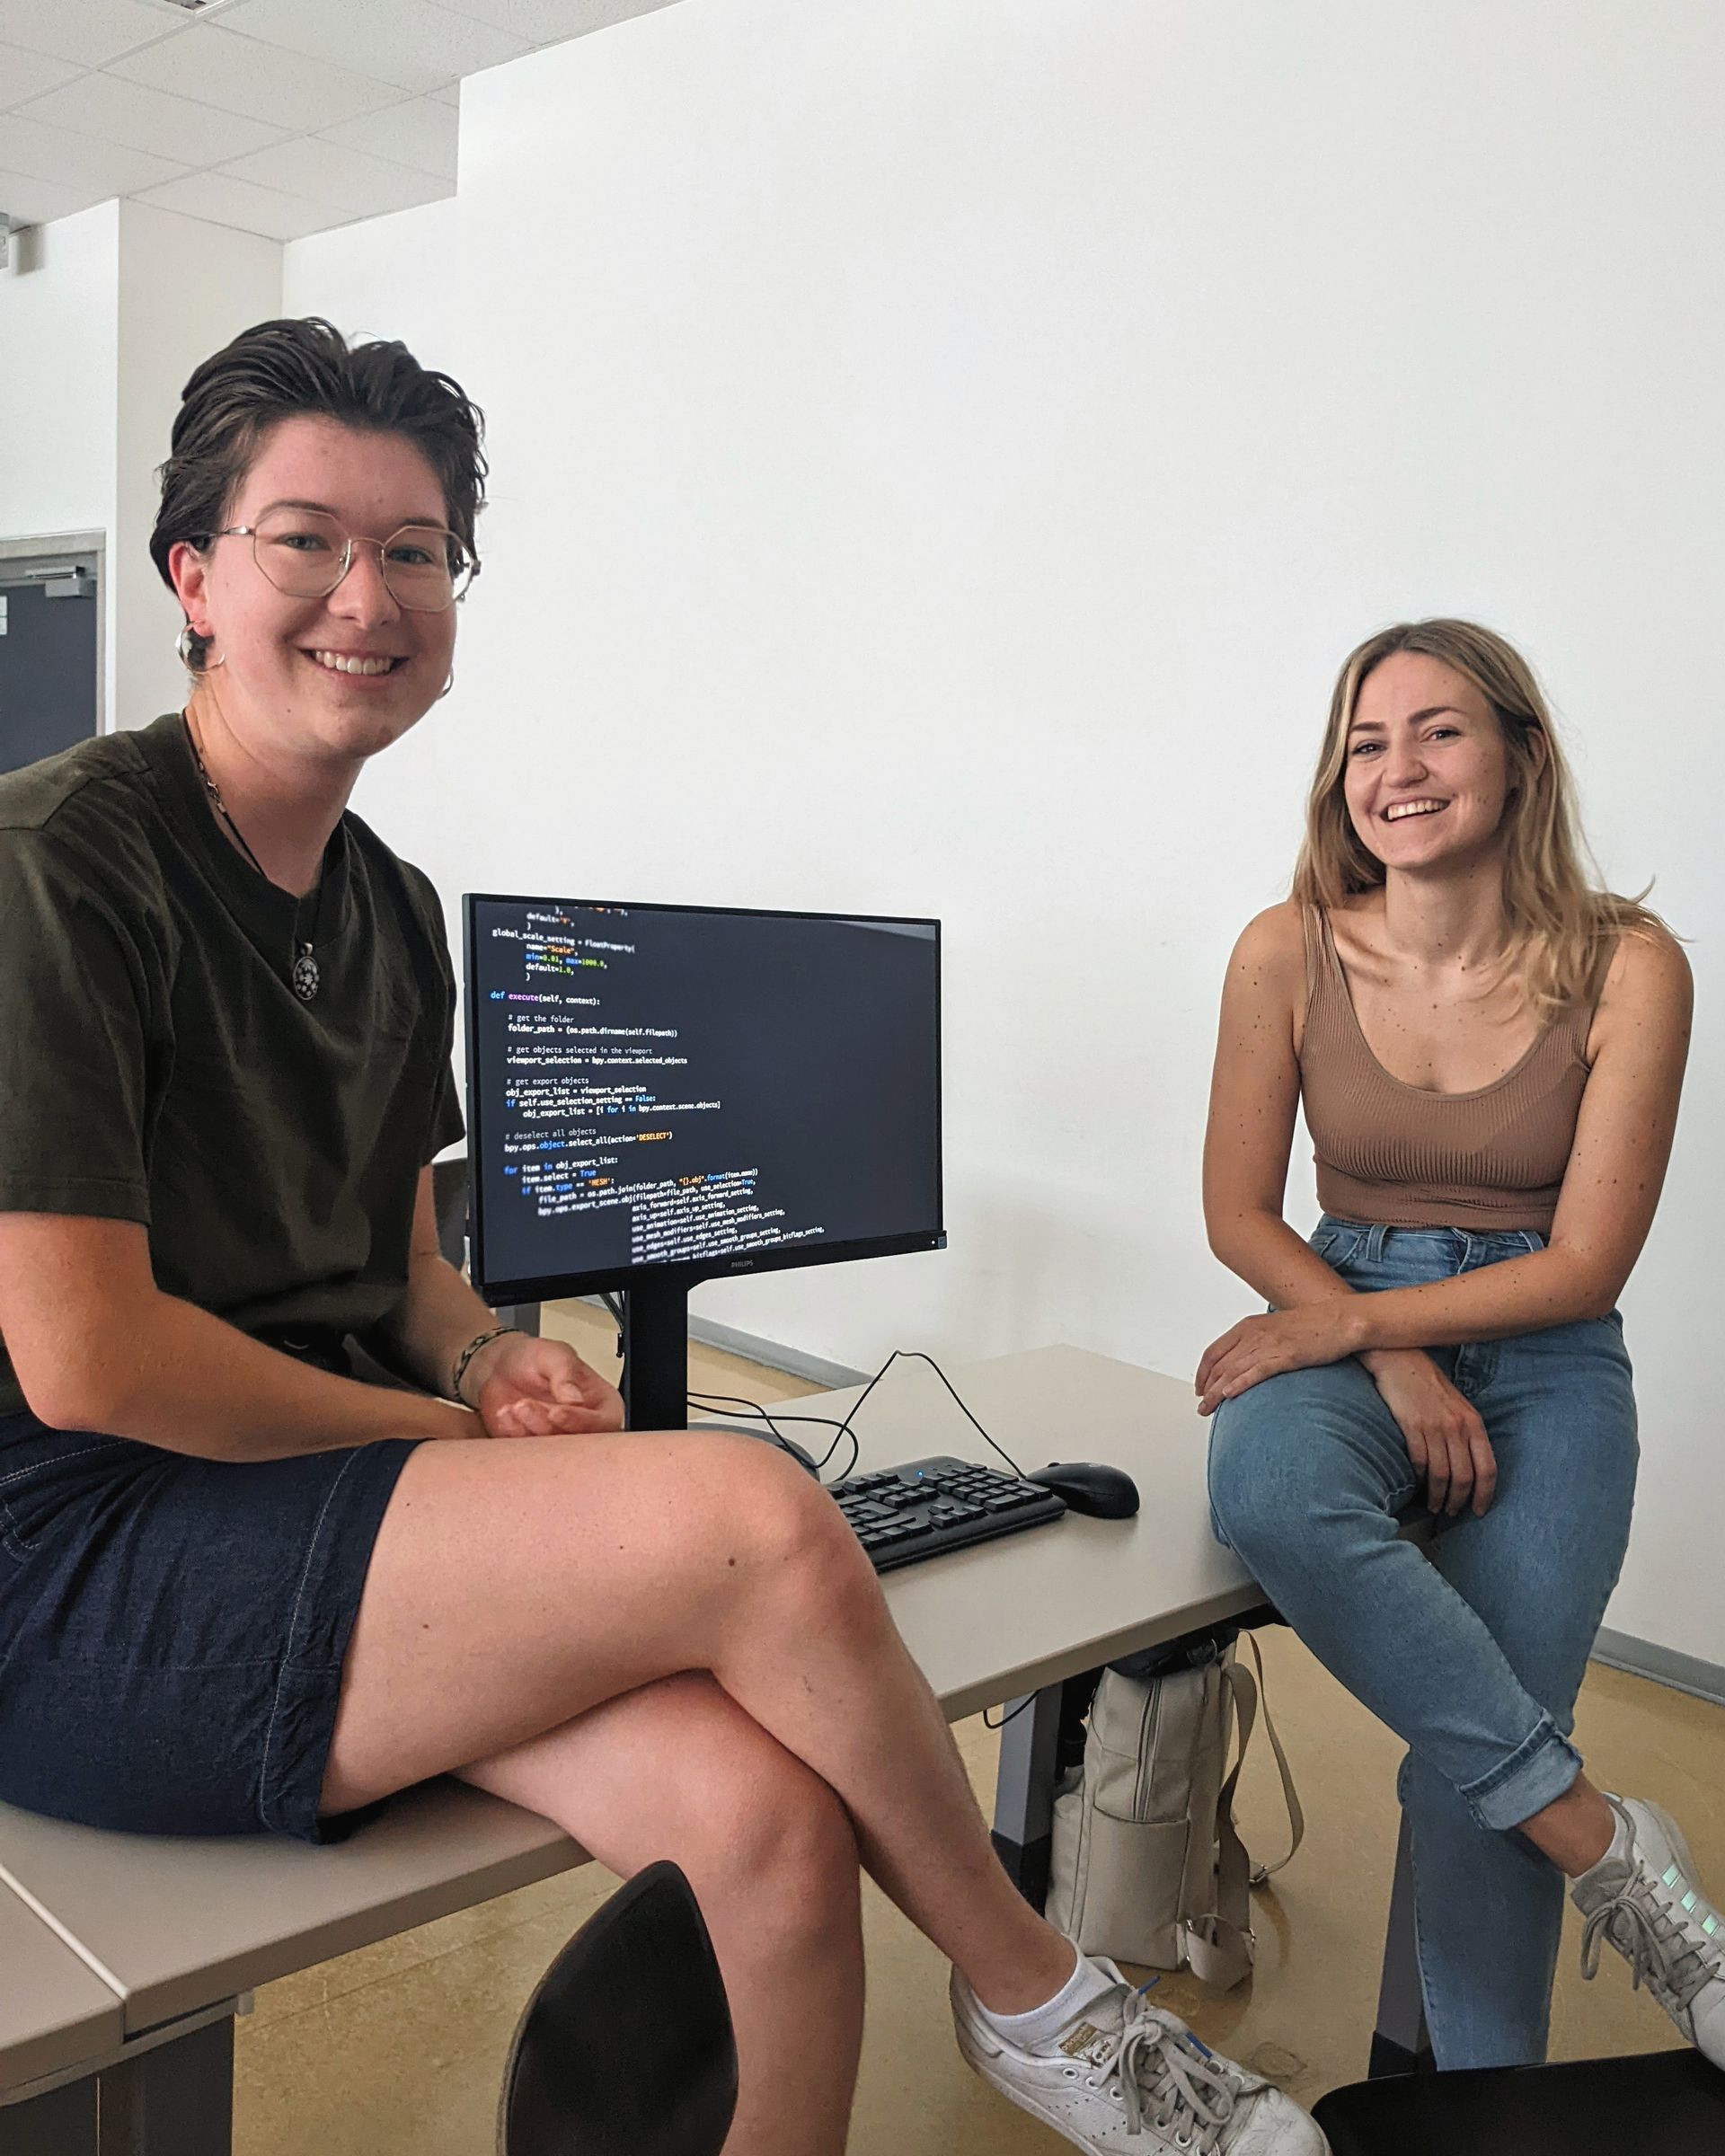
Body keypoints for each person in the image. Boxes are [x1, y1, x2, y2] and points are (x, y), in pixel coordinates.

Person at [0, 317, 1324, 2156]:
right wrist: (450, 1438)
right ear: (194, 576)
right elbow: (90, 1356)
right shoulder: (63, 864)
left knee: (767, 1834)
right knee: (753, 1515)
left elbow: (394, 1268)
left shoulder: (387, 907)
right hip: (77, 1562)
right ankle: (1042, 2002)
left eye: (413, 553)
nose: (365, 596)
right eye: (304, 539)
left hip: (302, 1505)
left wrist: (480, 1353)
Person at [1201, 618, 1722, 2074]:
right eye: (1366, 743)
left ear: (1519, 756)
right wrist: (1375, 1346)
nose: (1397, 770)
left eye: (1437, 731)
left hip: (1545, 1352)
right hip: (1336, 1299)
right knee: (1265, 1489)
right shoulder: (1285, 947)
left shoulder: (1630, 964)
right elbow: (1240, 1211)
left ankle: (1465, 2103)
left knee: (1467, 1755)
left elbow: (1585, 1262)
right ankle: (1605, 1843)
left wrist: (1375, 1322)